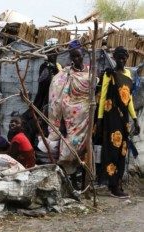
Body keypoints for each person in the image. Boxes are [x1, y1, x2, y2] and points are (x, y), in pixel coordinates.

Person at [97, 46, 140, 199]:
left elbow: (128, 99)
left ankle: (118, 184)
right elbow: (102, 97)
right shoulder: (110, 74)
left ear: (126, 59)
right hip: (111, 116)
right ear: (114, 58)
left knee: (122, 150)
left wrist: (135, 119)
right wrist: (100, 119)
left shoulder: (128, 74)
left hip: (124, 120)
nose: (121, 60)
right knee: (112, 150)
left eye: (124, 58)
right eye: (119, 57)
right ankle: (112, 185)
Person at [48, 40, 91, 180]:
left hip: (86, 119)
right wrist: (60, 122)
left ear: (83, 54)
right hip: (70, 120)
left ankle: (79, 179)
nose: (76, 59)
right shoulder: (66, 75)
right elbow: (59, 99)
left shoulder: (91, 72)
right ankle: (67, 178)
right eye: (73, 57)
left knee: (85, 149)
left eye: (78, 56)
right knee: (69, 148)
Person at [23, 38, 62, 146]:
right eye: (51, 51)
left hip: (57, 102)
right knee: (39, 125)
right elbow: (43, 86)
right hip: (46, 101)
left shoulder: (58, 67)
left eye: (55, 50)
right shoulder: (45, 67)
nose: (54, 53)